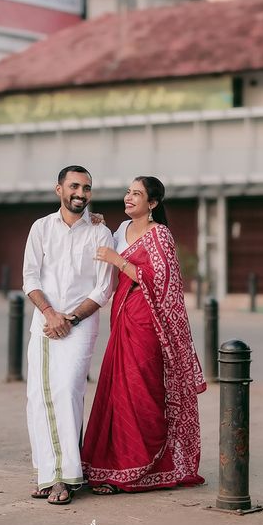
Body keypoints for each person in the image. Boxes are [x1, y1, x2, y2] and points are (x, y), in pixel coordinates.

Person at [81, 176, 206, 494]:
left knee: (142, 391)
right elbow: (101, 246)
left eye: (137, 194)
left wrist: (118, 260)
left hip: (148, 324)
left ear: (152, 203)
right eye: (127, 192)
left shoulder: (160, 234)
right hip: (122, 319)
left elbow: (162, 282)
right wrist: (94, 221)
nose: (129, 197)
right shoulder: (120, 230)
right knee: (117, 391)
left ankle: (145, 465)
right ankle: (114, 466)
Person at [22, 165, 114, 505]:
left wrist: (71, 318)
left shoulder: (100, 233)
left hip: (80, 325)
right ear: (58, 189)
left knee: (67, 391)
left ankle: (66, 476)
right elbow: (30, 278)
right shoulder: (41, 228)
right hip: (45, 323)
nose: (81, 192)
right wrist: (51, 314)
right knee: (38, 397)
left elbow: (103, 288)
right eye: (74, 185)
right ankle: (48, 473)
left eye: (87, 187)